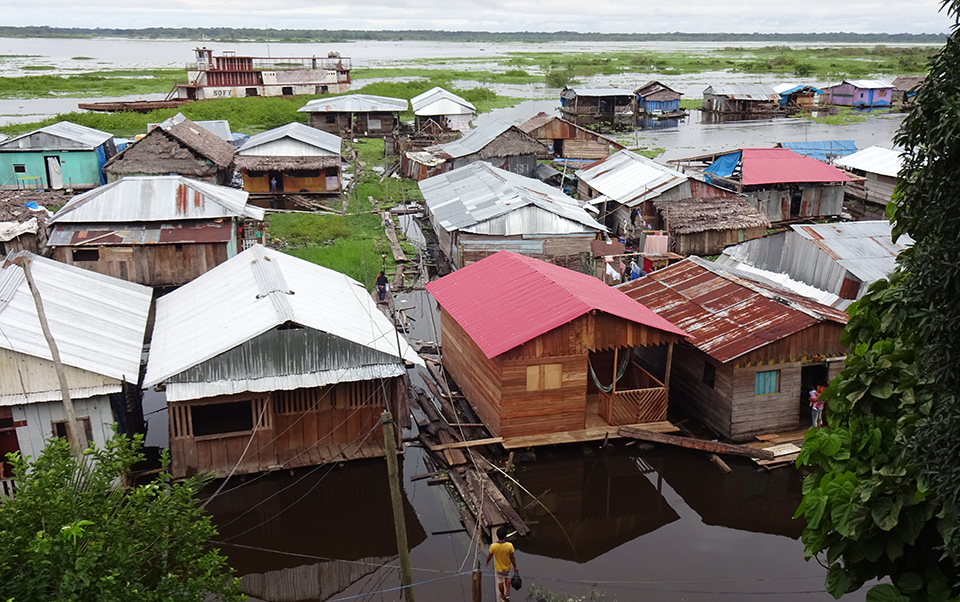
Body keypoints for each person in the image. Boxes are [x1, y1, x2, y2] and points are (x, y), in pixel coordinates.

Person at [485, 526, 518, 602]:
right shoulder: (509, 546)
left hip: (498, 568)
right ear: (505, 536)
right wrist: (515, 566)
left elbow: (489, 556)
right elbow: (512, 557)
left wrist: (487, 562)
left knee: (500, 582)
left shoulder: (493, 546)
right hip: (507, 567)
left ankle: (502, 595)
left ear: (497, 536)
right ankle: (507, 593)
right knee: (507, 578)